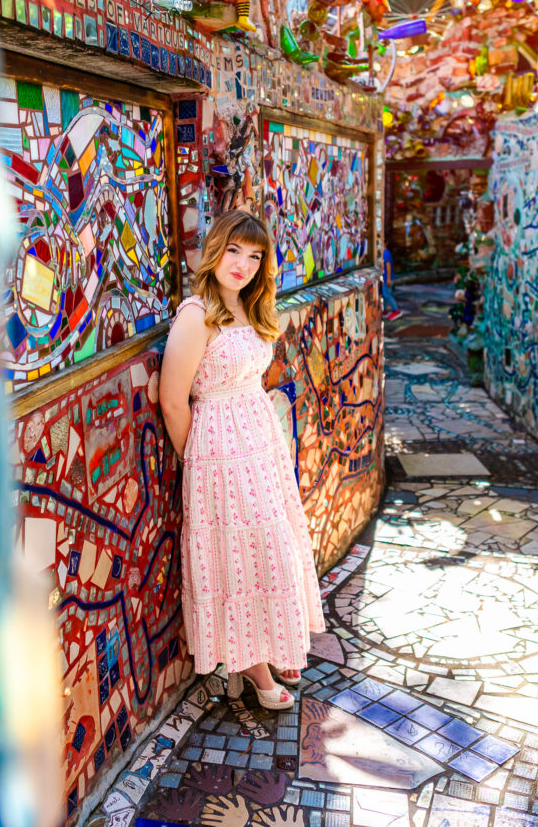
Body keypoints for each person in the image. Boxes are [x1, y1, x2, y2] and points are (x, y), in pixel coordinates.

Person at [159, 210, 325, 711]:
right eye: (234, 251)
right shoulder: (197, 314)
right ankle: (252, 667)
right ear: (215, 251)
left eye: (255, 256)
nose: (243, 264)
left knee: (272, 549)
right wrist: (203, 462)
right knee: (239, 560)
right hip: (218, 453)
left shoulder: (253, 310)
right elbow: (172, 399)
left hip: (259, 447)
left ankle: (273, 644)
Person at [382, 246, 402, 320]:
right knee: (384, 294)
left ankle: (396, 310)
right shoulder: (386, 252)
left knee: (387, 294)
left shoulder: (385, 252)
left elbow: (388, 266)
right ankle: (384, 310)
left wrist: (388, 279)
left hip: (387, 278)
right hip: (386, 278)